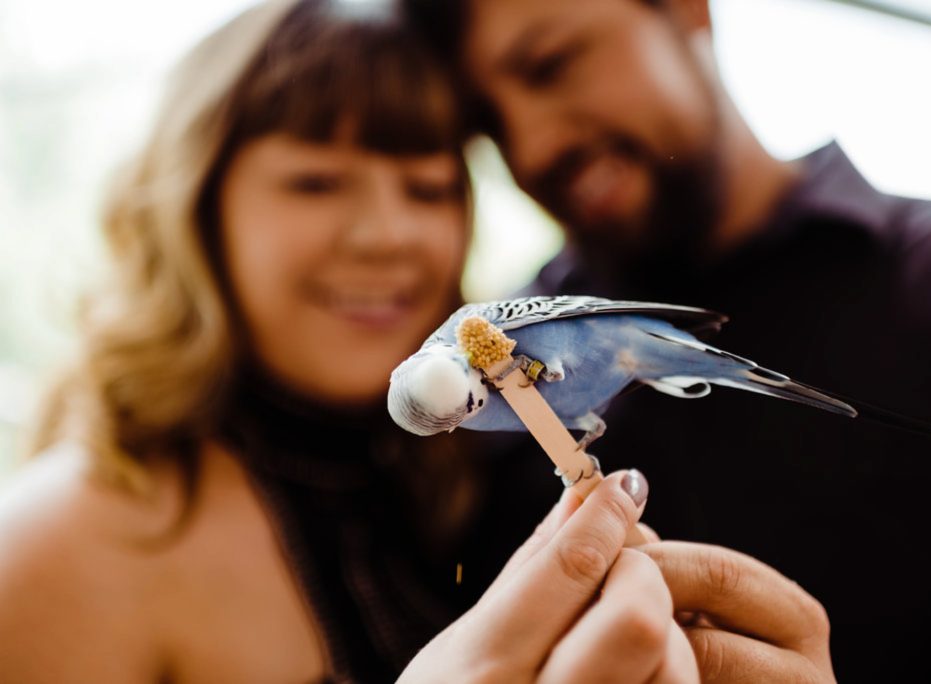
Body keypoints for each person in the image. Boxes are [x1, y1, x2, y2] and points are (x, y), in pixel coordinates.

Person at [0, 0, 834, 682]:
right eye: (315, 181)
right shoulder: (55, 550)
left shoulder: (461, 475)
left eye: (429, 187)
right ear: (196, 210)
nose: (387, 235)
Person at [404, 0, 931, 681]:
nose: (532, 147)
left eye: (553, 65)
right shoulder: (491, 428)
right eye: (487, 125)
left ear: (686, 10)